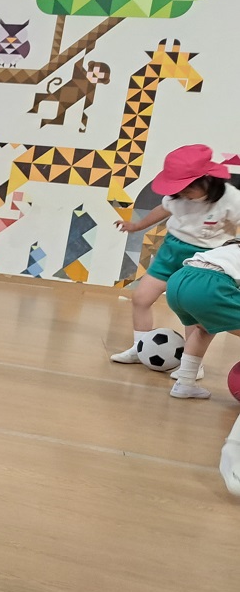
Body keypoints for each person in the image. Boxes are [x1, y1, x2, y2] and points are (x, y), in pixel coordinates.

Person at [111, 144, 240, 381]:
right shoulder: (177, 196)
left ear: (207, 180)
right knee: (141, 298)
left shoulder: (230, 198)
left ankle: (193, 365)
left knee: (193, 315)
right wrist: (136, 226)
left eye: (188, 189)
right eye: (178, 190)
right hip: (171, 252)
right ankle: (141, 348)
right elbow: (162, 209)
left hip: (203, 260)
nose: (182, 195)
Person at [164, 237, 240, 402]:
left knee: (204, 328)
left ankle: (184, 383)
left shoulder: (231, 248)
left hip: (178, 280)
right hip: (208, 286)